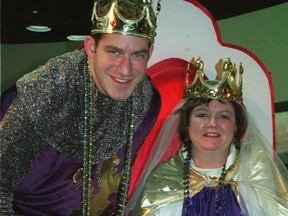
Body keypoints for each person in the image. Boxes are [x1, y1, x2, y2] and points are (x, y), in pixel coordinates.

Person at [0, 0, 162, 215]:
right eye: (114, 52)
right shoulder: (41, 95)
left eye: (137, 55)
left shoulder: (146, 101)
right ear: (91, 47)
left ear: (149, 53)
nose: (125, 70)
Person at [129, 57, 288, 215]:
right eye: (202, 114)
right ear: (186, 124)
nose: (212, 123)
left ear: (236, 125)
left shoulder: (257, 173)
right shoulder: (162, 180)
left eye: (224, 116)